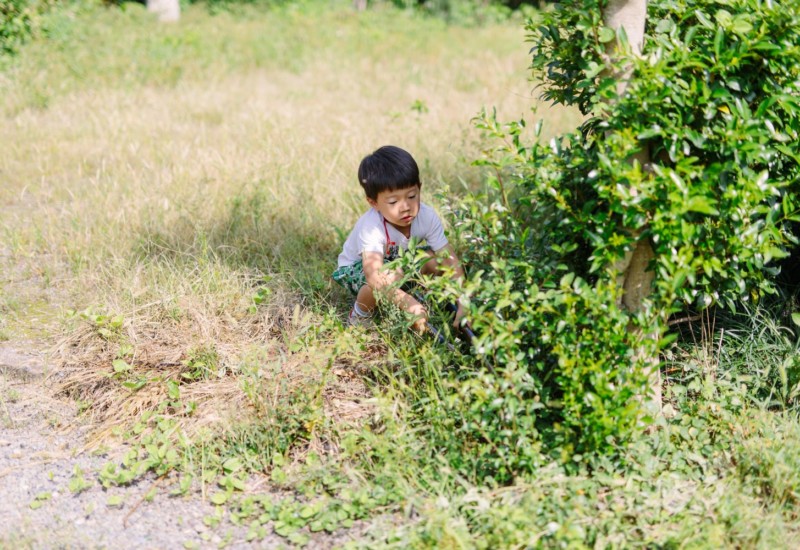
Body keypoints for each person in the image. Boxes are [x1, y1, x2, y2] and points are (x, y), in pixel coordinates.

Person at [333, 145, 467, 333]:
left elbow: (449, 257)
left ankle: (443, 302)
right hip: (359, 268)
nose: (405, 207)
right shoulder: (371, 226)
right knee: (384, 279)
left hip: (399, 262)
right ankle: (360, 316)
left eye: (412, 196)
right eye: (393, 202)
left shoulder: (427, 216)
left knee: (438, 260)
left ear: (419, 188)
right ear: (374, 203)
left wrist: (464, 300)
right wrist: (408, 304)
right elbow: (374, 277)